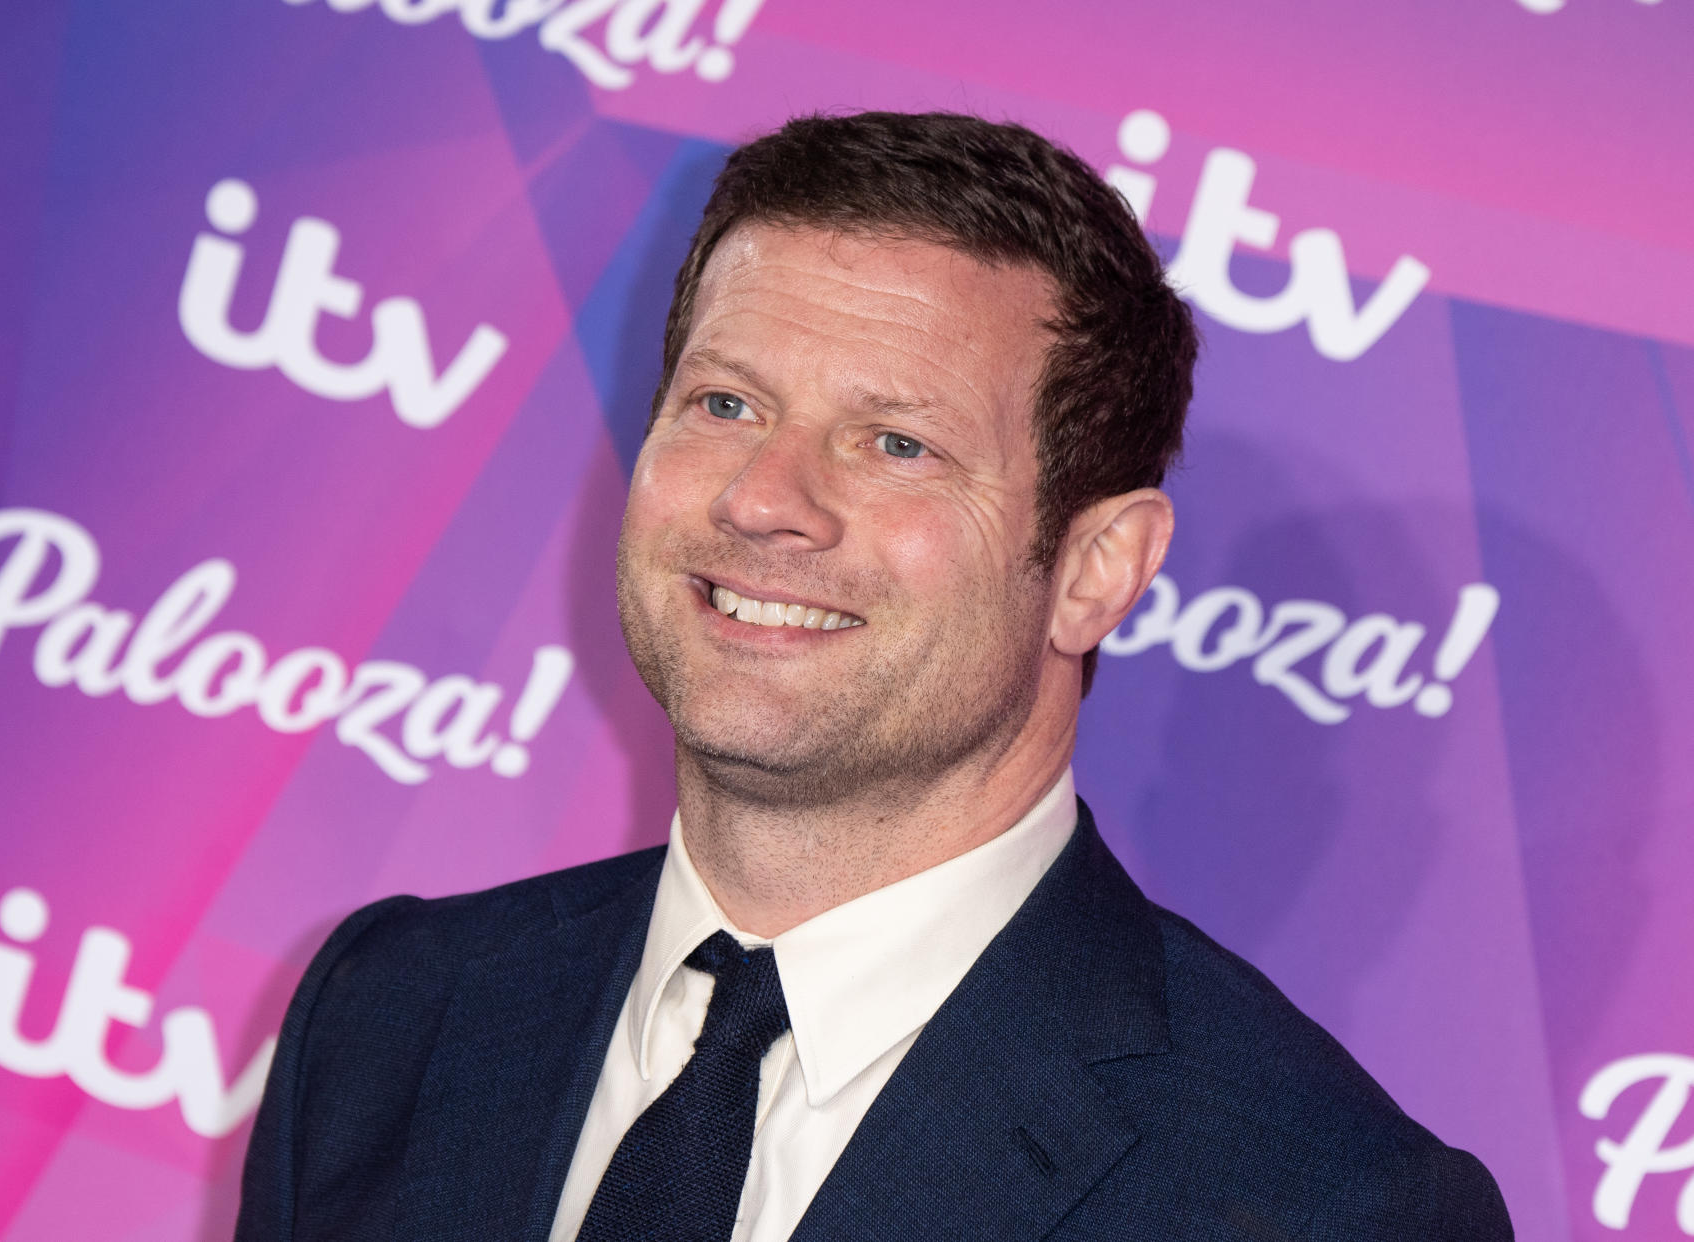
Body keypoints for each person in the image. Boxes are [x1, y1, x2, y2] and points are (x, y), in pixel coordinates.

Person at [235, 111, 1512, 1241]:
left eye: (895, 443)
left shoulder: (1329, 1208)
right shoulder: (390, 1015)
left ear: (1096, 569)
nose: (764, 500)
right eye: (725, 404)